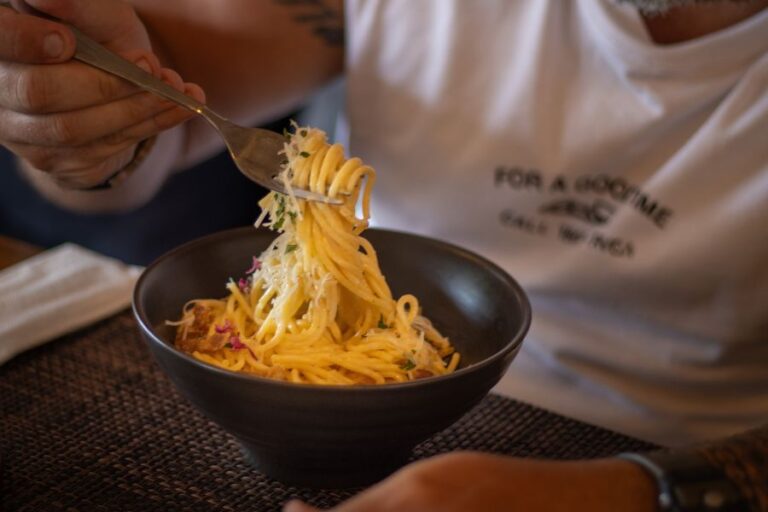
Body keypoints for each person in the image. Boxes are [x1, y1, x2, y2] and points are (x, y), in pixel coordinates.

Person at [0, 0, 766, 510]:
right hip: (352, 405)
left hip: (689, 466)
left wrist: (628, 493)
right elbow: (154, 104)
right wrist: (84, 126)